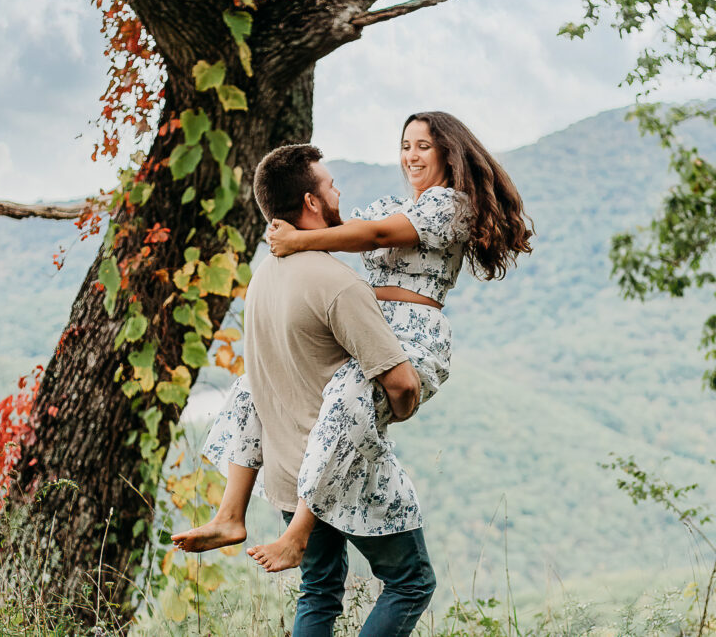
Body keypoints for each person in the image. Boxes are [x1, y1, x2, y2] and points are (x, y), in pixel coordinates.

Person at [174, 113, 532, 632]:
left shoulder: (448, 204)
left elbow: (373, 235)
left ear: (448, 154)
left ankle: (298, 530)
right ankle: (230, 513)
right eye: (405, 144)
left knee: (344, 393)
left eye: (423, 146)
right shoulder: (401, 204)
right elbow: (356, 227)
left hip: (411, 337)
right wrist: (298, 228)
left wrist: (299, 241)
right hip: (372, 333)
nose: (411, 155)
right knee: (255, 384)